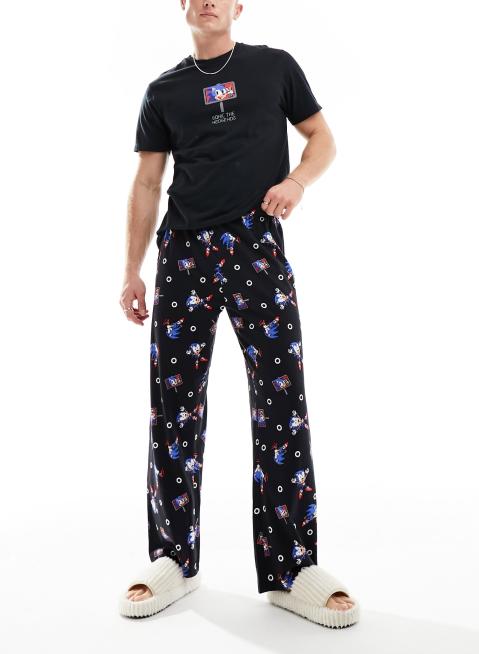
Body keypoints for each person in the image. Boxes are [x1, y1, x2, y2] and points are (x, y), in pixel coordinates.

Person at [118, 0, 360, 629]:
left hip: (256, 246)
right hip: (185, 253)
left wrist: (297, 182)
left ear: (237, 6)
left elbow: (322, 139)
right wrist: (132, 270)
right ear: (183, 4)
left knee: (282, 402)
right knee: (174, 405)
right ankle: (173, 558)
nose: (209, 1)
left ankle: (292, 568)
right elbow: (147, 183)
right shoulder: (163, 92)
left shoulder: (273, 68)